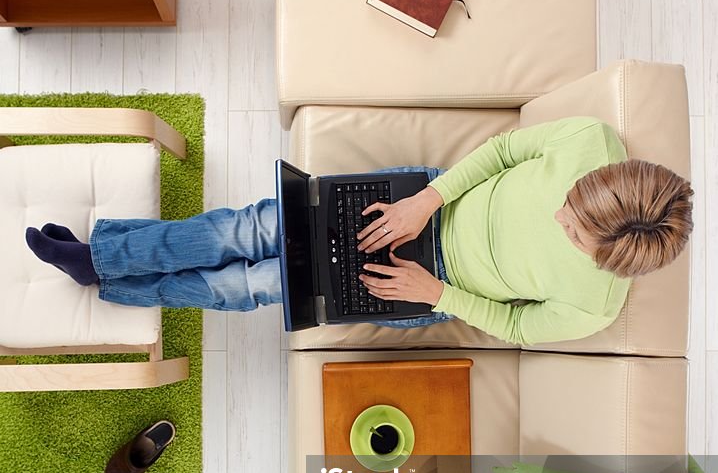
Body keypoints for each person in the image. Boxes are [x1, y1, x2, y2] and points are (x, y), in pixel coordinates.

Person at [24, 117, 693, 346]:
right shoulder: (590, 142)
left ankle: (117, 287)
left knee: (251, 284)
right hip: (426, 200)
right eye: (569, 205)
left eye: (572, 235)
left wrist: (434, 291)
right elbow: (503, 154)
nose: (558, 220)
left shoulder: (593, 307)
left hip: (428, 286)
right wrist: (426, 201)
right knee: (247, 229)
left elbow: (515, 327)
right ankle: (102, 257)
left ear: (612, 263)